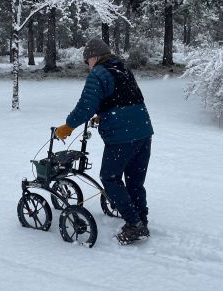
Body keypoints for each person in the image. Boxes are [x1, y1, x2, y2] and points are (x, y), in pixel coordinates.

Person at [55, 38, 154, 245]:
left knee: (109, 177)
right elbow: (125, 97)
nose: (87, 66)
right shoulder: (123, 68)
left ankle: (134, 224)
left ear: (94, 57)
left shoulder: (98, 73)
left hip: (122, 137)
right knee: (135, 182)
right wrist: (104, 113)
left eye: (87, 61)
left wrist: (67, 127)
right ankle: (141, 221)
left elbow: (84, 107)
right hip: (144, 131)